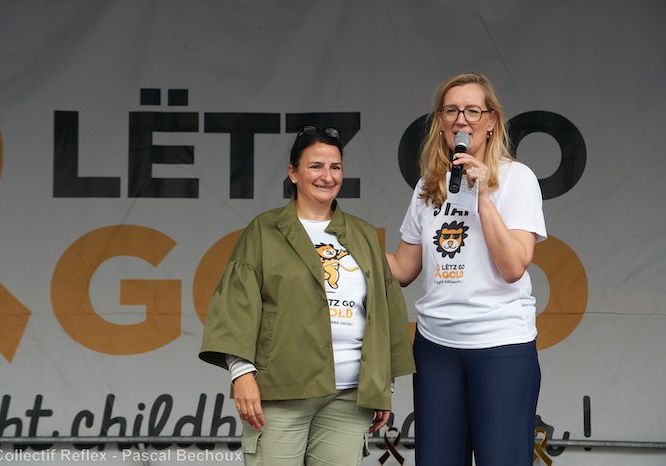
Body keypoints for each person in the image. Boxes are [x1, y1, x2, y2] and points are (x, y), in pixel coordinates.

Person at [199, 126, 415, 466]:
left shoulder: (362, 233)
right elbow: (236, 305)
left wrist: (381, 386)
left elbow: (384, 310)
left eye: (335, 167)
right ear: (293, 173)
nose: (327, 176)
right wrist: (241, 373)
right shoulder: (264, 230)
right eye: (316, 166)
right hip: (282, 391)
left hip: (349, 397)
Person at [387, 72, 547, 466]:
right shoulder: (428, 184)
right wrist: (343, 243)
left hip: (501, 346)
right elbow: (403, 268)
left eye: (472, 111)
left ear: (491, 121)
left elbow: (513, 266)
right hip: (436, 348)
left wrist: (483, 196)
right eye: (451, 111)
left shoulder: (516, 178)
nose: (461, 119)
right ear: (440, 122)